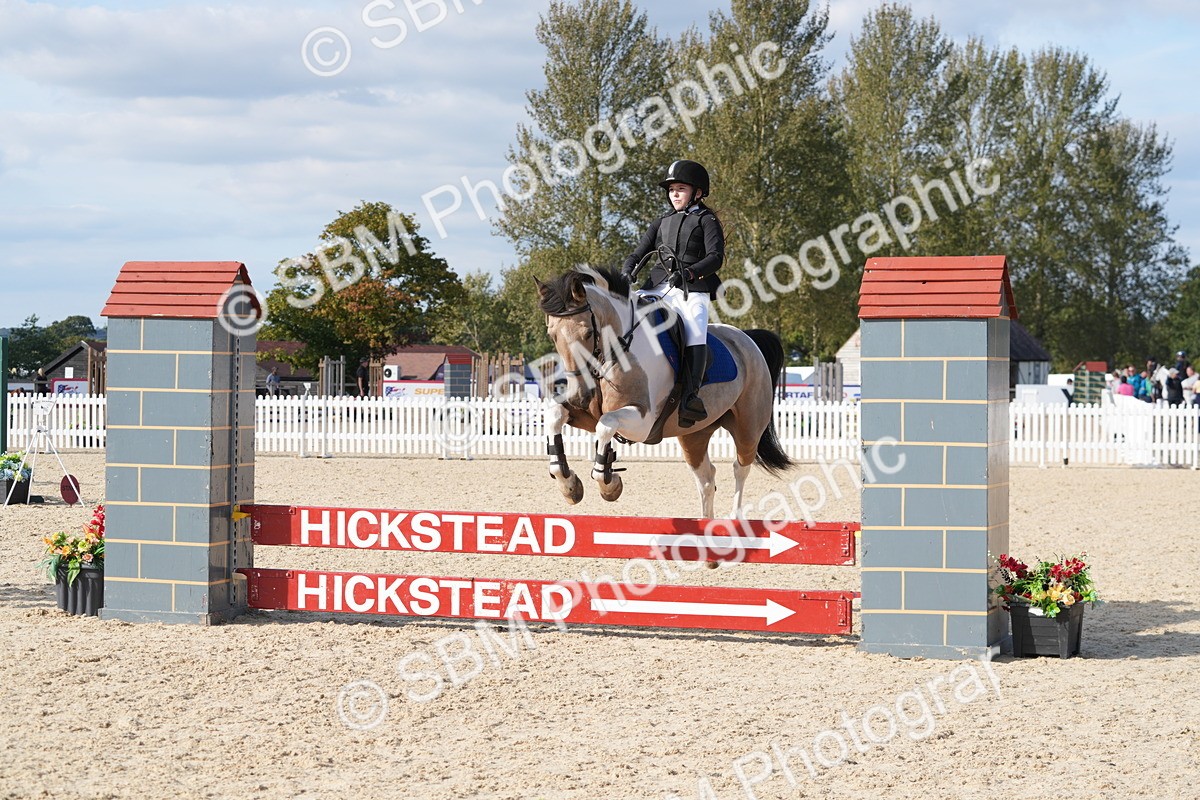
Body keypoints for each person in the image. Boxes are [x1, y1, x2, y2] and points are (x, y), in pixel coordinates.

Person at [622, 159, 724, 426]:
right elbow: (639, 251)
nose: (674, 194)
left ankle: (690, 397)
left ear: (697, 192)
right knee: (625, 317)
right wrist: (628, 269)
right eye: (671, 190)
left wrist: (688, 273)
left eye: (680, 189)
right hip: (657, 286)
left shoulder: (707, 220)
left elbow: (715, 257)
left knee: (695, 328)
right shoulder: (662, 221)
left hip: (691, 289)